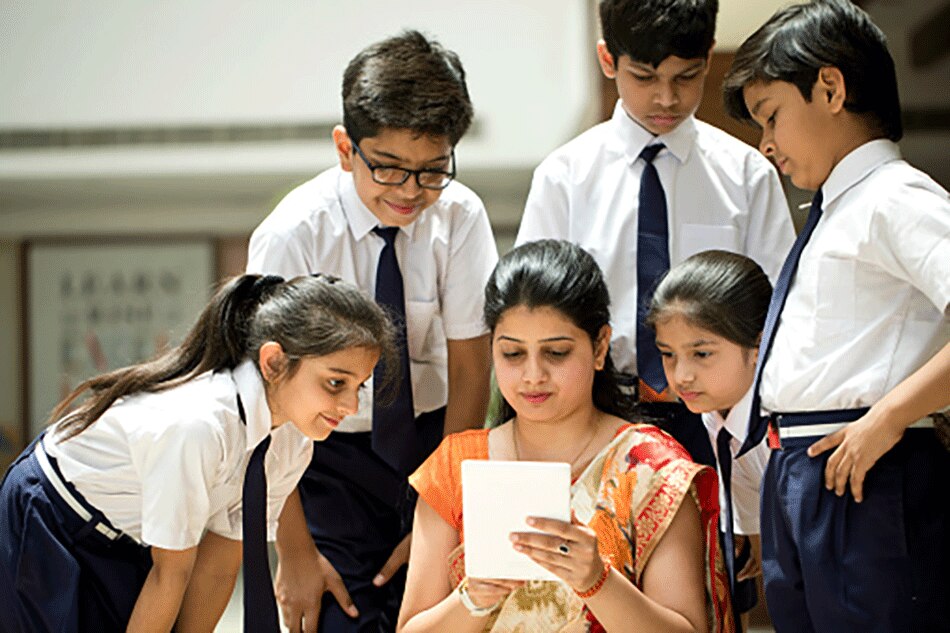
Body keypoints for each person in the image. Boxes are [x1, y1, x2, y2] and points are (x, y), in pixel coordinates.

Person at [246, 30, 498, 632]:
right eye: (388, 169)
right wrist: (296, 552)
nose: (412, 191)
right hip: (321, 457)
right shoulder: (293, 235)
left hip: (437, 443)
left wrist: (443, 505)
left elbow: (471, 369)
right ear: (344, 147)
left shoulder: (460, 216)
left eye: (433, 171)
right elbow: (265, 408)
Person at [721, 1, 950, 631]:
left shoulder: (895, 196)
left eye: (771, 117)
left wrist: (889, 417)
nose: (765, 145)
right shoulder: (833, 209)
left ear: (829, 87)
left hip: (867, 465)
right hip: (804, 467)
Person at [0, 273, 397, 633]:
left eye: (359, 386)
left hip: (128, 536)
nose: (351, 407)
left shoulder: (294, 443)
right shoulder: (199, 426)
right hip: (51, 514)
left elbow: (220, 565)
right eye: (334, 383)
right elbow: (170, 574)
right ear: (274, 362)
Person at [398, 240, 735, 633]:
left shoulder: (651, 467)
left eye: (556, 353)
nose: (533, 375)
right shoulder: (457, 465)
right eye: (512, 354)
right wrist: (472, 597)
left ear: (600, 346)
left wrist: (598, 582)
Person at [515, 0, 795, 469]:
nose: (666, 98)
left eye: (686, 77)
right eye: (644, 77)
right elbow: (532, 314)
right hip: (599, 408)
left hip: (720, 413)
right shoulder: (564, 177)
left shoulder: (747, 176)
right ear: (608, 60)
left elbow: (778, 310)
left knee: (722, 541)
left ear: (708, 58)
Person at [647, 250, 773, 630]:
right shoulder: (711, 415)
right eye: (668, 355)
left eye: (702, 353)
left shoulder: (790, 420)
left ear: (759, 345)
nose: (682, 375)